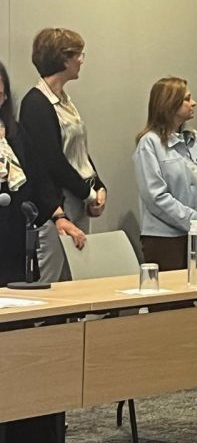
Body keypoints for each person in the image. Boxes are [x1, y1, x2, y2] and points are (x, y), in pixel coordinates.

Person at [0, 60, 85, 442]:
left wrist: (59, 216)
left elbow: (38, 178)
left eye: (1, 86)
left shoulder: (15, 132)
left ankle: (22, 410)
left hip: (15, 240)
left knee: (17, 330)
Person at [19, 27, 106, 282]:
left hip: (79, 198)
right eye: (78, 54)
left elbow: (79, 151)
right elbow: (51, 161)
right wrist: (88, 193)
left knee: (76, 278)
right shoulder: (36, 103)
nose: (81, 60)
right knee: (50, 280)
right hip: (58, 204)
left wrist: (98, 186)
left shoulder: (65, 100)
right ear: (63, 59)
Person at [133, 77, 197, 270]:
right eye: (187, 99)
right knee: (172, 289)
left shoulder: (194, 138)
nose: (193, 103)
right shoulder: (149, 143)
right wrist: (194, 219)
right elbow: (155, 196)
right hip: (165, 238)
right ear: (169, 104)